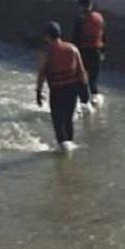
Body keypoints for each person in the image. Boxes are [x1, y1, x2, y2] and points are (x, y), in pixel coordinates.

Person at [35, 21, 89, 151]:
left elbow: (42, 73)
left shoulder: (47, 53)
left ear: (47, 36)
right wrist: (84, 93)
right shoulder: (73, 48)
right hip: (72, 90)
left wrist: (38, 92)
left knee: (58, 122)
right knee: (68, 120)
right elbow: (81, 72)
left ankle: (63, 149)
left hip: (57, 91)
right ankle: (70, 145)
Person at [71, 0, 106, 105]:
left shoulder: (80, 20)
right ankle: (95, 98)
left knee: (80, 78)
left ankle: (82, 101)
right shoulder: (100, 18)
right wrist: (103, 52)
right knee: (93, 79)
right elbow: (103, 36)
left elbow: (75, 39)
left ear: (81, 6)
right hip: (97, 52)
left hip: (84, 52)